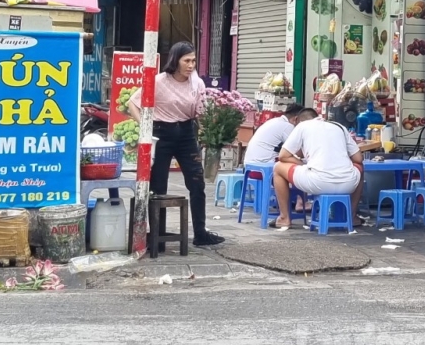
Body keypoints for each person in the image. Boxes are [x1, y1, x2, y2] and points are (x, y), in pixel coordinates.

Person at [127, 41, 222, 246]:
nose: (191, 65)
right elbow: (132, 103)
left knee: (197, 183)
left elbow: (201, 112)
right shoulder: (159, 81)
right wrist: (146, 128)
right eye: (186, 61)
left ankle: (200, 233)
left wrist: (214, 128)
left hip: (187, 134)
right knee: (158, 185)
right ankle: (158, 237)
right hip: (162, 134)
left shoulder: (197, 83)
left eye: (194, 61)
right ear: (175, 60)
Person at [271, 118, 364, 229]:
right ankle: (352, 217)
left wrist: (301, 163)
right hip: (348, 184)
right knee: (360, 168)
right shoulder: (339, 126)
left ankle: (284, 218)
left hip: (317, 183)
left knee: (278, 167)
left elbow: (283, 156)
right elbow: (358, 159)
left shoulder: (302, 126)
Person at [243, 104, 317, 164]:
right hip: (262, 165)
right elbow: (299, 153)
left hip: (250, 164)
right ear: (295, 119)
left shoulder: (275, 121)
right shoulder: (288, 127)